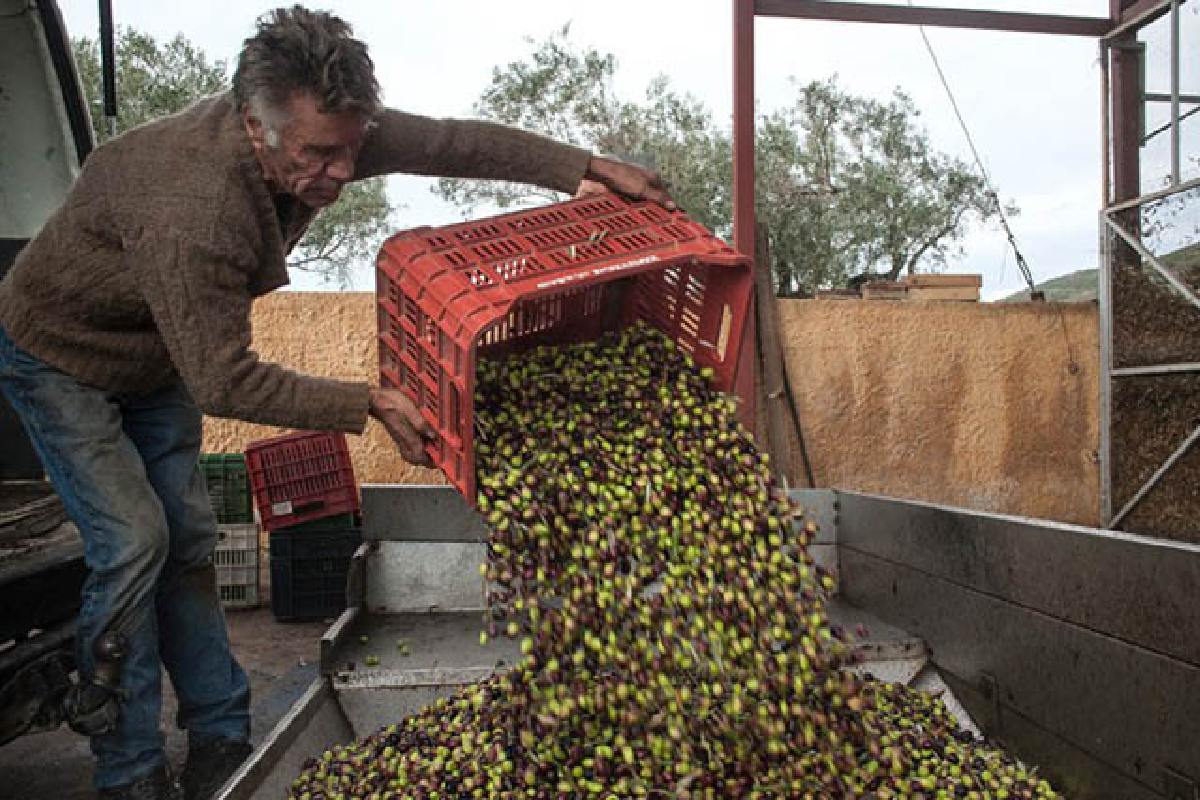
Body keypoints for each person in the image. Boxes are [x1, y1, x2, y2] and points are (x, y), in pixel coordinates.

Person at [0, 6, 672, 799]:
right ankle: (128, 768)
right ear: (257, 127)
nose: (343, 172)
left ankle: (219, 734)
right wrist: (371, 403)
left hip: (156, 357)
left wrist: (590, 167)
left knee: (187, 538)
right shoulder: (193, 210)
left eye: (352, 148)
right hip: (60, 357)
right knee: (135, 542)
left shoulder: (332, 131)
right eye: (321, 155)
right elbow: (226, 381)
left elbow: (453, 142)